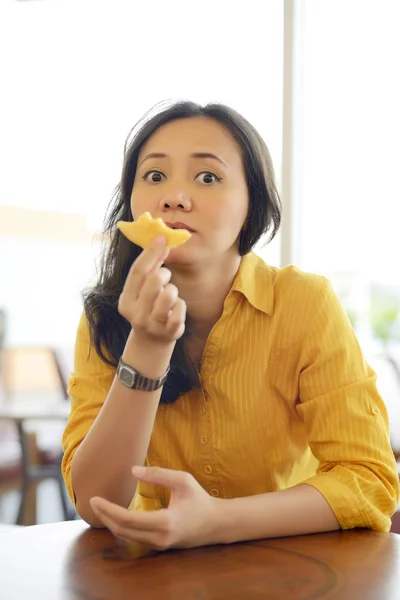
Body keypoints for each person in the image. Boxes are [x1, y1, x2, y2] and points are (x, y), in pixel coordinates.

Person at [62, 100, 399, 550]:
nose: (174, 197)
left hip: (290, 567)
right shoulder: (108, 316)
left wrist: (217, 521)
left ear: (251, 204)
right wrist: (146, 345)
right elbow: (96, 502)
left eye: (208, 177)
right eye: (155, 176)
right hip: (155, 577)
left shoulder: (303, 302)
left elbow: (369, 481)